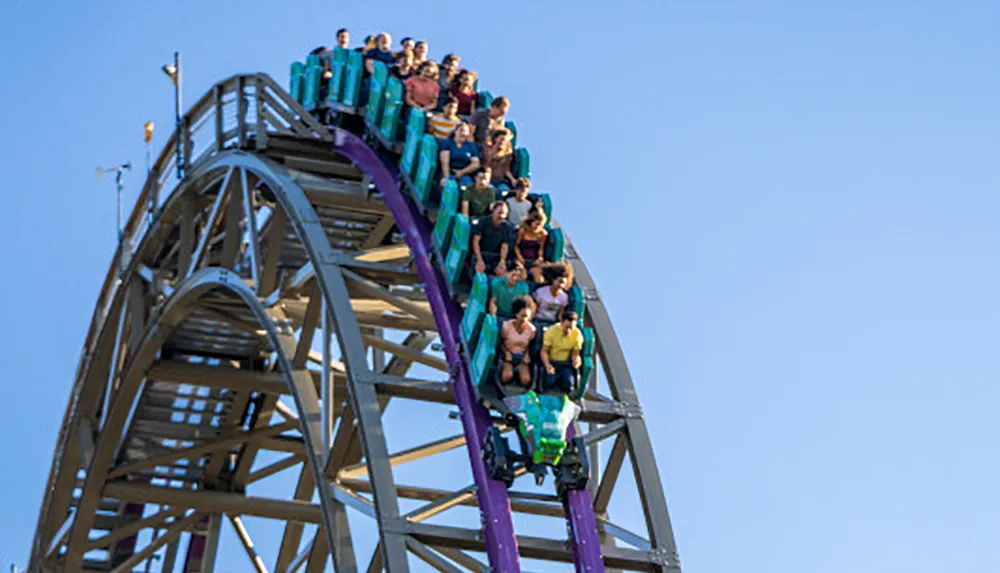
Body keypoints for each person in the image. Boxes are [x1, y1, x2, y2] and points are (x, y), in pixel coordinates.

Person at [540, 310, 583, 394]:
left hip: (565, 364)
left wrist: (576, 360)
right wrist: (547, 365)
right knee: (549, 381)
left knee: (568, 383)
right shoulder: (551, 331)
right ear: (561, 323)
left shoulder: (577, 334)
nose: (568, 330)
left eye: (571, 328)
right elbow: (544, 351)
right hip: (551, 362)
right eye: (566, 327)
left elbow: (575, 353)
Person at [499, 297, 537, 387]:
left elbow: (530, 345)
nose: (524, 319)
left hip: (522, 357)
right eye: (522, 316)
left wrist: (527, 355)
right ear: (516, 314)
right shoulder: (507, 326)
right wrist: (506, 353)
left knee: (526, 380)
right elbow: (501, 342)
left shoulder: (531, 329)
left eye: (526, 316)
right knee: (506, 377)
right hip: (508, 355)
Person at [471, 201, 515, 277]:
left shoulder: (507, 227)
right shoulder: (483, 222)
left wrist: (502, 262)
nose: (501, 216)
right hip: (481, 254)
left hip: (495, 257)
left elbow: (504, 246)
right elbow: (475, 242)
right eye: (499, 213)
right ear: (493, 211)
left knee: (502, 272)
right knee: (479, 269)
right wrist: (479, 259)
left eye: (504, 214)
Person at [438, 123, 480, 188]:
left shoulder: (471, 146)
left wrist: (461, 172)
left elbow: (475, 164)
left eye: (465, 131)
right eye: (461, 130)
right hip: (449, 172)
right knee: (449, 185)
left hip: (464, 173)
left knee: (468, 186)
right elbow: (445, 163)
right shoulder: (447, 143)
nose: (463, 133)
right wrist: (446, 177)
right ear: (455, 131)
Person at [516, 213, 549, 278]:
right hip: (521, 258)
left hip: (533, 259)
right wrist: (519, 256)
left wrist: (540, 258)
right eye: (536, 224)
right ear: (531, 222)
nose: (537, 227)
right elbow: (516, 246)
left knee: (539, 277)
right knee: (523, 275)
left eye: (540, 225)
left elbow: (541, 248)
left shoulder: (543, 234)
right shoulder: (523, 231)